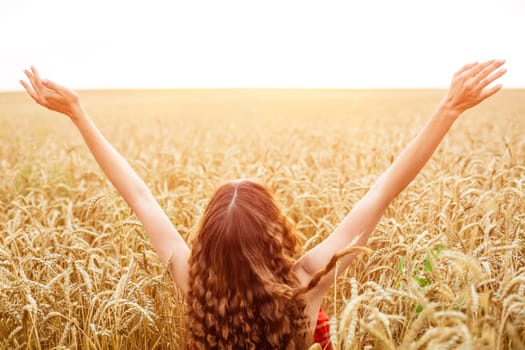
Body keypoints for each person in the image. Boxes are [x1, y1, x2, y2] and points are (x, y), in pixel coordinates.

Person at [20, 60, 506, 349]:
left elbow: (140, 195)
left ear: (206, 244)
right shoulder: (304, 284)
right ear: (277, 233)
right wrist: (448, 109)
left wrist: (79, 115)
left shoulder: (195, 284)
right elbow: (382, 191)